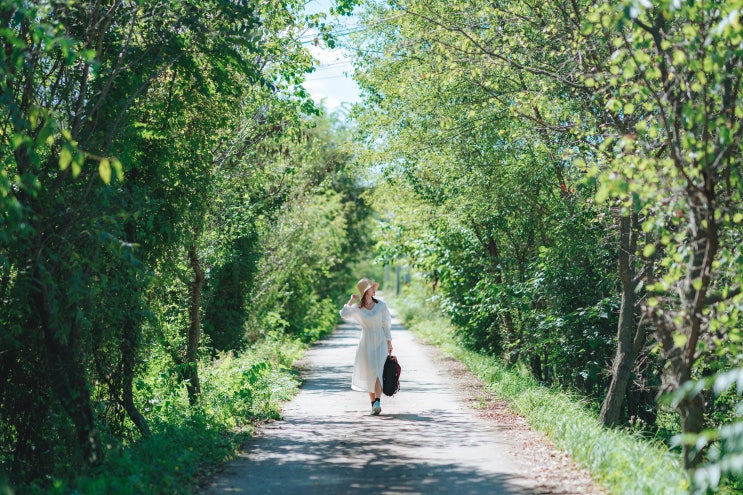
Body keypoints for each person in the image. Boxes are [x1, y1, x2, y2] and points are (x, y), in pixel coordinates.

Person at [339, 278, 393, 415]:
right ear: (365, 291)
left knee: (378, 371)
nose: (374, 289)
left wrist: (389, 341)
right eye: (371, 287)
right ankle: (373, 405)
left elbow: (386, 324)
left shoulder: (381, 305)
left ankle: (378, 401)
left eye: (374, 287)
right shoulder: (358, 308)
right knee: (370, 372)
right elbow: (344, 314)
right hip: (366, 341)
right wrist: (351, 301)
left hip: (380, 340)